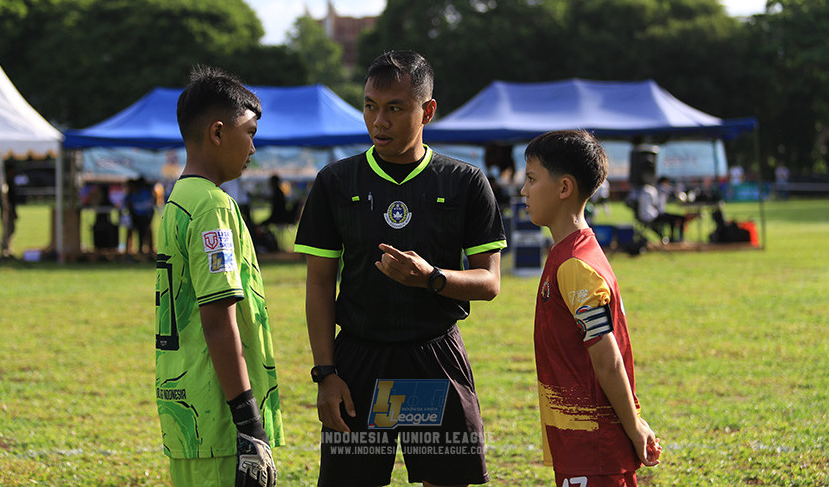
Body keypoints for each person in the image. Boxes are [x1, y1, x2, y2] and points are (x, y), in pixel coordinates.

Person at [295, 50, 507, 487]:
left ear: (427, 111)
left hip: (431, 357)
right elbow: (319, 287)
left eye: (395, 108)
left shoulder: (464, 181)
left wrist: (432, 278)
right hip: (359, 360)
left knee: (446, 481)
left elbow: (489, 282)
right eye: (370, 106)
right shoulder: (335, 182)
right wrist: (326, 373)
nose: (379, 121)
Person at [155, 66, 283, 487]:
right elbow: (218, 318)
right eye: (249, 133)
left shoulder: (180, 198)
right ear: (217, 132)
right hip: (220, 423)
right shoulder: (213, 205)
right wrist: (249, 423)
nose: (253, 147)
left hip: (189, 409)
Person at [520, 130, 661, 486]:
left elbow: (607, 359)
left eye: (532, 179)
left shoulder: (575, 266)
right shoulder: (572, 253)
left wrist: (635, 428)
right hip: (582, 448)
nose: (523, 191)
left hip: (593, 451)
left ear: (564, 188)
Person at [635, 176, 685, 243]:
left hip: (643, 216)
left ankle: (667, 238)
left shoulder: (641, 190)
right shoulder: (655, 189)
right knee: (676, 219)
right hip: (652, 215)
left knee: (672, 218)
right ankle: (674, 238)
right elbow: (656, 204)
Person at [123, 176, 157, 257]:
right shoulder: (131, 195)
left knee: (147, 231)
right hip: (135, 217)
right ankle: (129, 252)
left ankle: (149, 252)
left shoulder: (144, 193)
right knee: (132, 231)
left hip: (144, 217)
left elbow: (149, 205)